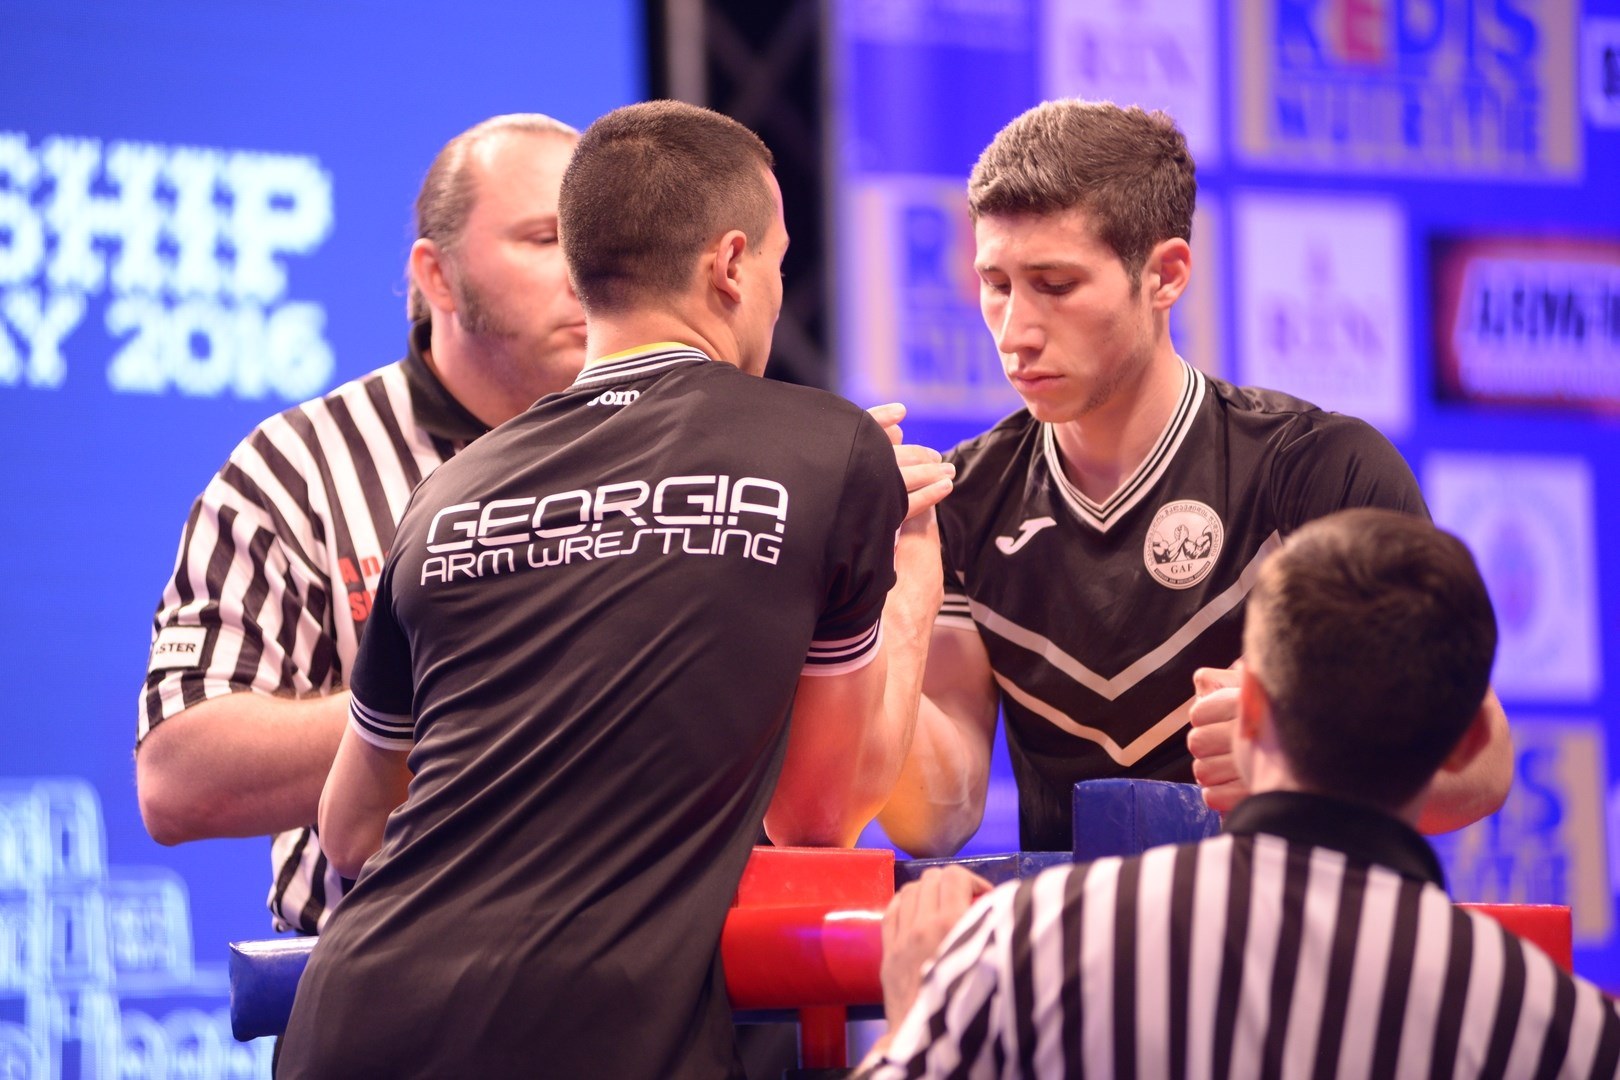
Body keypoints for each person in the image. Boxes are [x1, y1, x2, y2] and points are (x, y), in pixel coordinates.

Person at [276, 100, 955, 1079]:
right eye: (775, 262)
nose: (774, 292)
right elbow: (819, 818)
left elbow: (348, 830)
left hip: (355, 1025)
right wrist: (910, 583)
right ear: (729, 265)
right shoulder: (829, 449)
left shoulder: (446, 489)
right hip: (595, 1033)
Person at [875, 99, 1512, 856]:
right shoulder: (962, 503)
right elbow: (938, 816)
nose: (1015, 332)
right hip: (1080, 952)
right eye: (997, 284)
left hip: (1290, 951)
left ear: (1166, 275)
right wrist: (875, 599)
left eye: (1055, 284)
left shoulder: (1317, 469)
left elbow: (1484, 766)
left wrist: (1303, 760)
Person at [859, 509, 1620, 1079]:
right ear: (1470, 744)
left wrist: (918, 1013)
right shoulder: (1565, 1031)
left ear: (1247, 711)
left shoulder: (1026, 943)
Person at [135, 113, 589, 933]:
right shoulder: (298, 467)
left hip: (633, 1000)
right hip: (387, 1010)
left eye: (595, 243)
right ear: (438, 277)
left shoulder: (667, 455)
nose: (583, 274)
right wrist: (476, 705)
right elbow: (177, 778)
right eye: (545, 238)